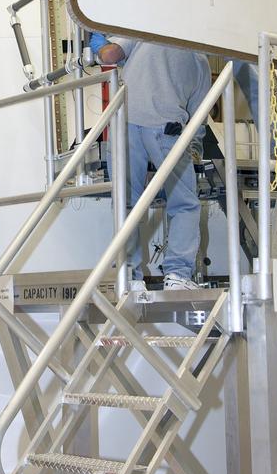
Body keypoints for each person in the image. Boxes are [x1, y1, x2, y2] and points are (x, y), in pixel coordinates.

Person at [90, 33, 211, 291]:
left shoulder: (144, 30)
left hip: (124, 125)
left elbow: (110, 55)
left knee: (126, 203)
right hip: (167, 130)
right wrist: (194, 151)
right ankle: (178, 275)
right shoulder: (200, 58)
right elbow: (199, 118)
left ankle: (128, 277)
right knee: (185, 204)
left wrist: (97, 40)